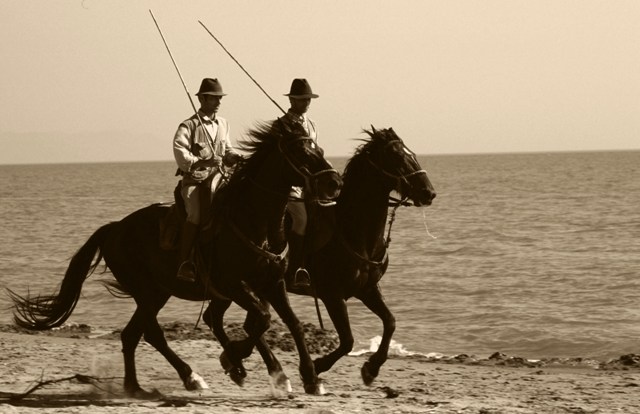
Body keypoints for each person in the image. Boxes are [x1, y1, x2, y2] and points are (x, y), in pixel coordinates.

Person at [173, 78, 241, 282]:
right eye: (213, 98)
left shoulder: (223, 123)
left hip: (220, 178)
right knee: (195, 213)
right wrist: (203, 161)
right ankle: (185, 262)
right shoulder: (189, 125)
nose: (218, 102)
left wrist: (234, 156)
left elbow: (227, 149)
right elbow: (180, 152)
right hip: (195, 180)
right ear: (202, 99)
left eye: (219, 98)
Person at [276, 78, 319, 288]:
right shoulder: (282, 125)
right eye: (302, 99)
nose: (306, 103)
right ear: (292, 100)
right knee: (301, 219)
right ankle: (296, 267)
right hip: (289, 184)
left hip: (309, 183)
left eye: (308, 99)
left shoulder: (311, 125)